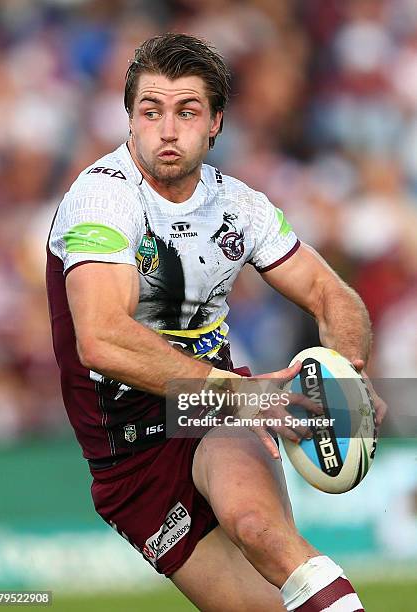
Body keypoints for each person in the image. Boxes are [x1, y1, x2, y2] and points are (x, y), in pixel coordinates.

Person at [46, 33, 386, 611]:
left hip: (207, 410)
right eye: (151, 111)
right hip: (127, 457)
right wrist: (238, 393)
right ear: (129, 118)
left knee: (258, 526)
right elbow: (101, 339)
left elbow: (332, 293)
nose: (168, 130)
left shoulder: (240, 206)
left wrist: (346, 371)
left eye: (187, 111)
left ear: (215, 123)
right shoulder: (101, 200)